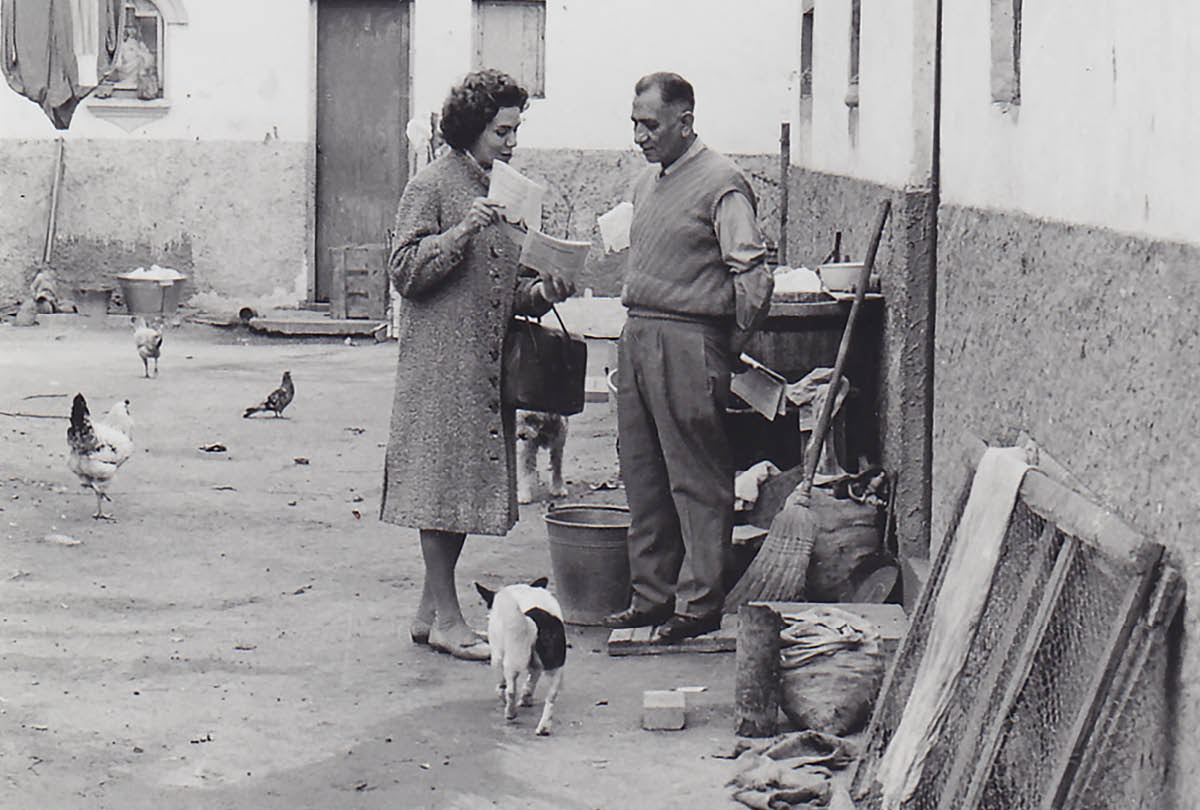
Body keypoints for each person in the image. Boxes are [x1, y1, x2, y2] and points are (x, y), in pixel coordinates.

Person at [380, 69, 575, 661]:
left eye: (516, 130)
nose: (511, 143)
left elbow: (506, 288)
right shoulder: (433, 184)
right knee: (440, 490)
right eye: (501, 131)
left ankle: (427, 611)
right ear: (472, 128)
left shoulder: (504, 188)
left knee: (460, 488)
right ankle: (448, 619)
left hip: (484, 365)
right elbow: (404, 271)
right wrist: (463, 229)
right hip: (439, 364)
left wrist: (546, 293)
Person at [603, 72, 774, 643]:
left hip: (690, 339)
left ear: (685, 122)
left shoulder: (723, 183)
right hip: (639, 335)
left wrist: (727, 344)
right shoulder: (648, 181)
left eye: (649, 125)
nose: (639, 136)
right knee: (644, 473)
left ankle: (699, 602)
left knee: (696, 478)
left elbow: (752, 275)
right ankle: (651, 597)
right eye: (634, 123)